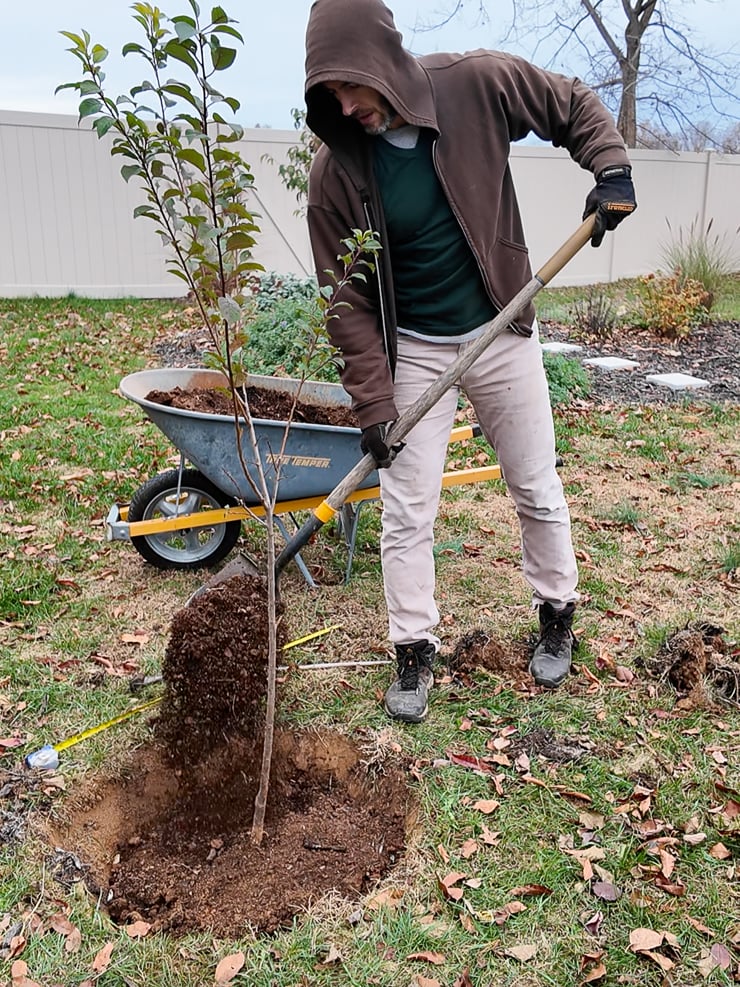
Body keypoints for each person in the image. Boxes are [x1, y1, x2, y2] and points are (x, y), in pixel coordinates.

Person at [303, 0, 636, 723]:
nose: (346, 105)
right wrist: (375, 405)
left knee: (536, 485)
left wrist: (608, 167)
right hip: (416, 350)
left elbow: (569, 101)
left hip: (500, 325)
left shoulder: (474, 86)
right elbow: (347, 304)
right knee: (405, 510)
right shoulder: (335, 174)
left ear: (382, 61)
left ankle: (556, 614)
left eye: (351, 86)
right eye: (329, 95)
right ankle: (413, 652)